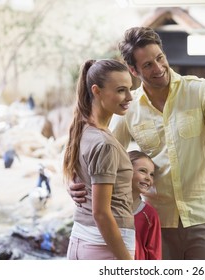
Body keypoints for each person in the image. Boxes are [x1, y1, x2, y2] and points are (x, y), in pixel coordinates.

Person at [69, 27, 205, 260]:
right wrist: (74, 183)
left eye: (160, 58)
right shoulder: (129, 108)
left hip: (204, 216)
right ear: (133, 70)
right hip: (156, 222)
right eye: (148, 65)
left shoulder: (200, 90)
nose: (159, 68)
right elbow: (103, 155)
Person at [63, 59, 134, 260]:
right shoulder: (105, 143)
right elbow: (101, 214)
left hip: (79, 241)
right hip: (105, 247)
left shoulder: (81, 130)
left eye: (129, 89)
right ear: (97, 90)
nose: (129, 96)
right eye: (121, 90)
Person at [129, 150, 162, 260]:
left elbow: (154, 255)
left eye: (152, 174)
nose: (148, 178)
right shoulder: (105, 207)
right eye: (143, 171)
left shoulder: (150, 214)